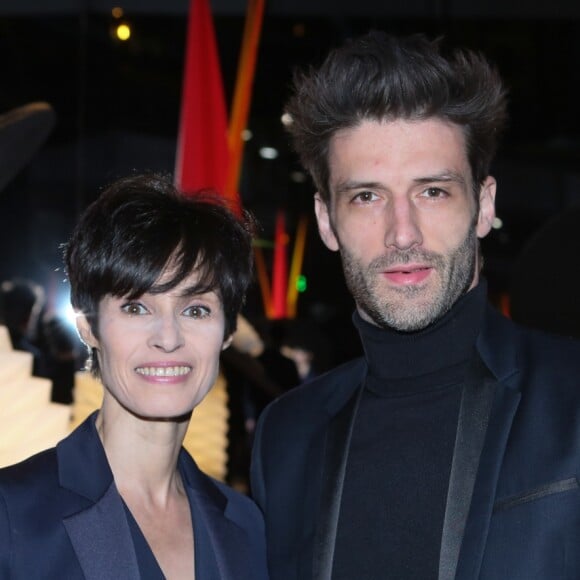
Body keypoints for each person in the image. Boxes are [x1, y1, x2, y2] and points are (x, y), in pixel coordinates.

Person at [250, 31, 580, 580]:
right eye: (367, 196)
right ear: (328, 221)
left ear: (483, 205)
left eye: (433, 191)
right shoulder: (287, 437)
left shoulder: (571, 398)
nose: (402, 233)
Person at [0, 174, 269, 579]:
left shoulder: (246, 524)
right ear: (89, 326)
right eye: (136, 308)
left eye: (195, 310)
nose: (168, 338)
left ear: (228, 331)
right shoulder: (12, 513)